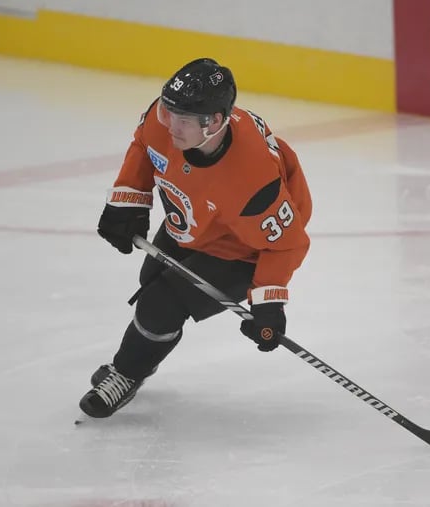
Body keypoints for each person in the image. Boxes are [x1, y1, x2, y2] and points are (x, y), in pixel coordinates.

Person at [79, 58, 313, 418]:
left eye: (183, 119)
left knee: (159, 305)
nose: (170, 124)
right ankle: (143, 358)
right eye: (168, 113)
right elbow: (144, 147)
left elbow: (287, 243)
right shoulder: (166, 119)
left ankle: (125, 374)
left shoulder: (251, 180)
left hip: (243, 249)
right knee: (151, 281)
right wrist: (128, 201)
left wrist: (268, 301)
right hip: (195, 222)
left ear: (214, 121)